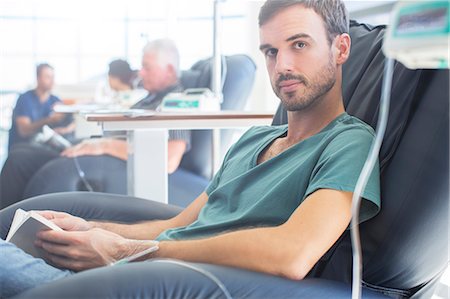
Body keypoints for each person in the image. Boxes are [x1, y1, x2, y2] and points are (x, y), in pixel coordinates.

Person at [0, 0, 381, 297]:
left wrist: (123, 252)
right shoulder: (253, 139)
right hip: (127, 270)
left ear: (340, 48)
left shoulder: (348, 142)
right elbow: (176, 226)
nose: (281, 65)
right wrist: (93, 230)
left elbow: (293, 255)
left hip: (159, 283)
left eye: (299, 44)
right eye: (270, 51)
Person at [0, 39, 191, 208]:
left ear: (169, 70)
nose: (140, 72)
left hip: (111, 163)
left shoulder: (177, 102)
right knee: (20, 151)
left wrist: (104, 145)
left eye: (147, 67)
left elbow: (168, 159)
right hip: (100, 154)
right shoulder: (150, 98)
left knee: (19, 161)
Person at [7, 63, 74, 152]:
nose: (52, 81)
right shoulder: (25, 99)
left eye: (53, 77)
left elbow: (73, 122)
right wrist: (50, 120)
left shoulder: (55, 100)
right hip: (24, 147)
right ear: (38, 78)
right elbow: (24, 131)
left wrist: (64, 130)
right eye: (48, 77)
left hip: (43, 144)